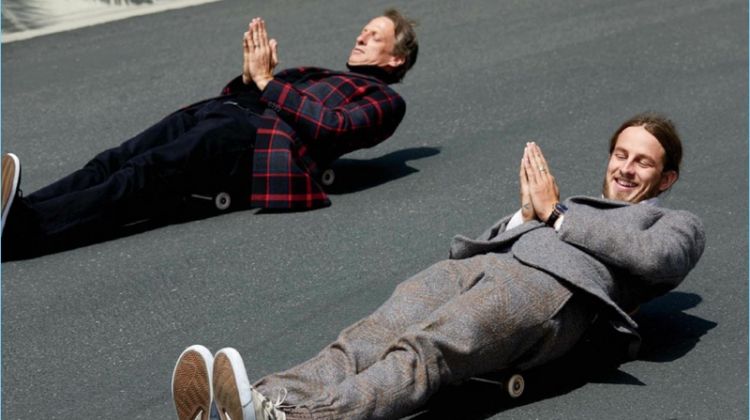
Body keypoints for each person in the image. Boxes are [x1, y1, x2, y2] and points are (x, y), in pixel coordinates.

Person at [171, 113, 705, 420]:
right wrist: (525, 214)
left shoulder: (676, 223)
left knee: (423, 352)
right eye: (621, 154)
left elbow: (656, 261)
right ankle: (258, 400)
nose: (627, 168)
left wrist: (556, 214)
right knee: (365, 337)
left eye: (643, 161)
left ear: (667, 177)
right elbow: (517, 232)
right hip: (483, 265)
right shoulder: (576, 204)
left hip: (550, 295)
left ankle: (298, 419)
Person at [0, 9, 418, 260]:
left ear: (395, 58)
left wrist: (269, 82)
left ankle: (26, 233)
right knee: (110, 160)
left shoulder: (382, 99)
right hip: (218, 113)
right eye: (364, 30)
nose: (361, 36)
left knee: (143, 175)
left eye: (374, 35)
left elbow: (333, 128)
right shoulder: (324, 74)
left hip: (248, 140)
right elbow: (248, 91)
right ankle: (19, 212)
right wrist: (250, 76)